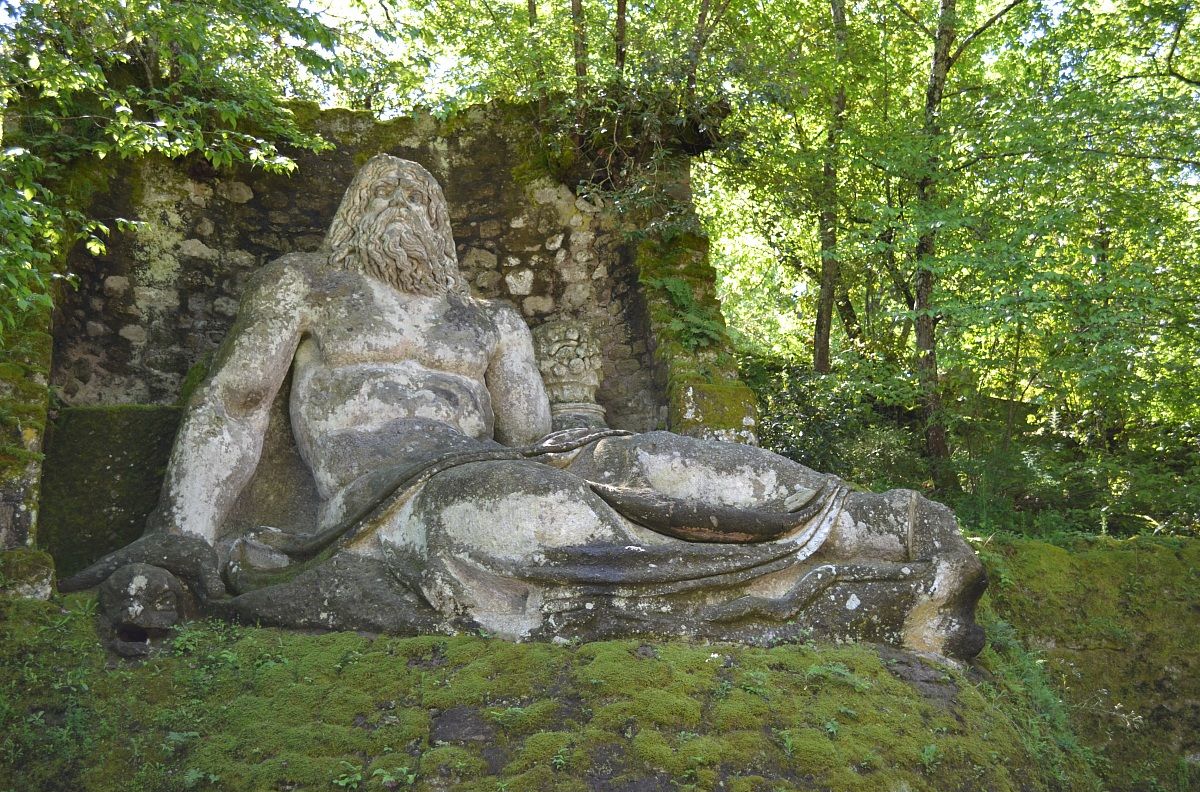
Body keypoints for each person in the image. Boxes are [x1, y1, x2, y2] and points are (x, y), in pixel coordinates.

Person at [66, 155, 986, 659]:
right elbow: (234, 404)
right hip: (398, 496)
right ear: (348, 217)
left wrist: (585, 432)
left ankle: (890, 523)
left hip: (511, 458)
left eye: (422, 197)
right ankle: (836, 599)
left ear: (446, 228)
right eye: (382, 192)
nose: (405, 204)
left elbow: (538, 435)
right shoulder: (308, 287)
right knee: (526, 520)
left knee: (637, 461)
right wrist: (182, 535)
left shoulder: (488, 320)